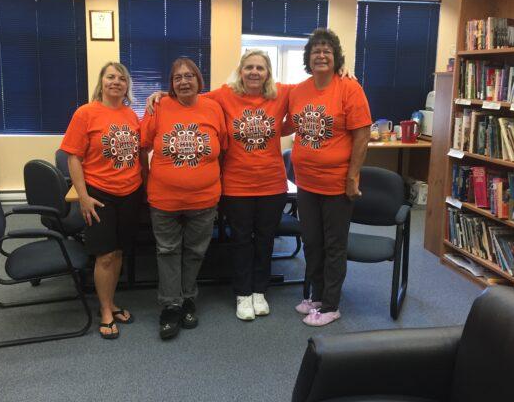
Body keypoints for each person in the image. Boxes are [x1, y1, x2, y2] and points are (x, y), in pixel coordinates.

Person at [146, 50, 291, 321]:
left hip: (271, 183)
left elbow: (310, 92)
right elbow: (190, 96)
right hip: (236, 185)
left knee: (265, 241)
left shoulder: (280, 94)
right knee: (240, 242)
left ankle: (259, 291)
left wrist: (344, 72)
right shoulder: (223, 95)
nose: (254, 72)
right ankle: (242, 294)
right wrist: (162, 95)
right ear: (240, 71)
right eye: (249, 67)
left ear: (268, 72)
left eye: (260, 67)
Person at [286, 28, 371, 327]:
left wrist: (353, 177)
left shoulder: (349, 88)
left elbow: (363, 134)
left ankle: (332, 305)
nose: (321, 55)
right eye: (316, 50)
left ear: (336, 58)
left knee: (334, 245)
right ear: (308, 58)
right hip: (306, 183)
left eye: (327, 51)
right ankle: (318, 296)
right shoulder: (298, 90)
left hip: (336, 184)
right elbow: (278, 114)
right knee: (312, 242)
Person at [140, 57, 227, 340]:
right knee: (167, 251)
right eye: (178, 77)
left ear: (199, 81)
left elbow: (222, 149)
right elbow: (143, 146)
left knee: (195, 251)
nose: (184, 81)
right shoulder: (158, 106)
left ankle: (188, 298)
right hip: (164, 198)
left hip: (204, 199)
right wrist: (143, 181)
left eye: (190, 75)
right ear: (171, 85)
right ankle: (170, 305)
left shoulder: (213, 108)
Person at [60, 62, 145, 340]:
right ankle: (105, 310)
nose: (116, 82)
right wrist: (83, 196)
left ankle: (111, 302)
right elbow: (73, 156)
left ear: (127, 85)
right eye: (111, 77)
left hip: (130, 192)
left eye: (122, 78)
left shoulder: (132, 115)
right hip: (100, 194)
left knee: (119, 252)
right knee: (105, 255)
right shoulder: (86, 113)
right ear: (102, 81)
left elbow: (140, 153)